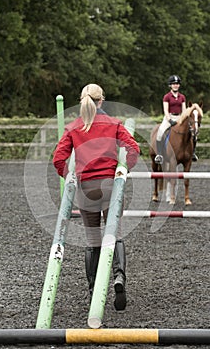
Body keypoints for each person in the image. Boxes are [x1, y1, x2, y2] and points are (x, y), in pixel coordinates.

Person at [53, 83, 140, 311]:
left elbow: (58, 160)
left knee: (92, 240)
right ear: (102, 101)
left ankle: (93, 290)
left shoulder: (73, 127)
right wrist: (124, 169)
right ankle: (119, 278)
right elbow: (133, 148)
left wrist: (69, 176)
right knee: (115, 234)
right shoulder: (113, 123)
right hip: (110, 185)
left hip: (86, 188)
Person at [154, 75, 199, 164]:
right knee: (160, 133)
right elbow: (165, 110)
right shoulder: (167, 96)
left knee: (193, 133)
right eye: (174, 84)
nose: (176, 85)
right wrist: (169, 119)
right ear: (170, 85)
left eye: (177, 84)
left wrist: (182, 119)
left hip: (180, 117)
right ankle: (159, 155)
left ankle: (193, 153)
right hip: (169, 117)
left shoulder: (182, 97)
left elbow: (184, 110)